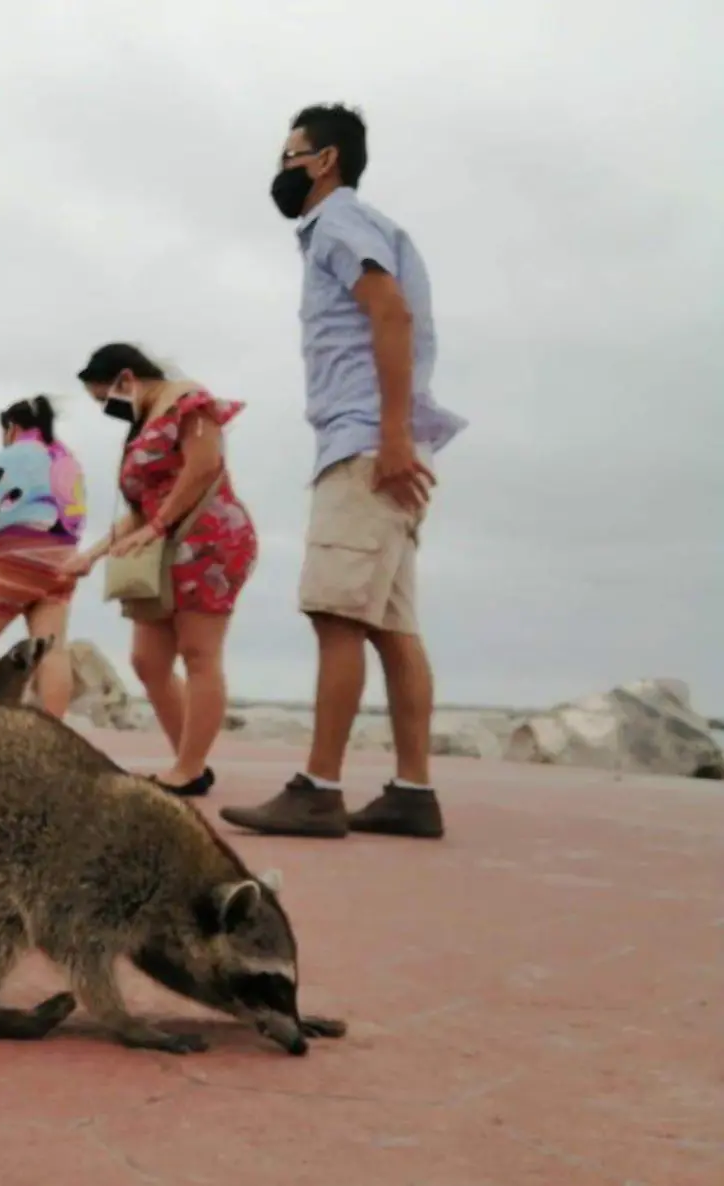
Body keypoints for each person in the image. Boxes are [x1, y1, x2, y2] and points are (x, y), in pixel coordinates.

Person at [220, 103, 467, 841]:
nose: (282, 166)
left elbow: (389, 313)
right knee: (393, 627)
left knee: (336, 614)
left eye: (290, 153)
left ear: (322, 160)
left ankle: (318, 788)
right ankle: (411, 792)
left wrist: (388, 434)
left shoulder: (338, 223)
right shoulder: (358, 226)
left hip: (365, 444)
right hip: (384, 442)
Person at [70, 344, 258, 798]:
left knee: (199, 652)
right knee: (148, 661)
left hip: (207, 539)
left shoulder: (189, 402)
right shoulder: (145, 422)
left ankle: (189, 768)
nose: (107, 410)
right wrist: (93, 554)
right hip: (163, 546)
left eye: (105, 399)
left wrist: (157, 525)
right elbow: (141, 506)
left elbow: (203, 467)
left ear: (127, 379)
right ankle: (188, 761)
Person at [0, 395, 85, 717]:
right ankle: (55, 732)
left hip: (16, 556)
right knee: (53, 649)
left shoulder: (12, 455)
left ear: (12, 428)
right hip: (64, 559)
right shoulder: (66, 458)